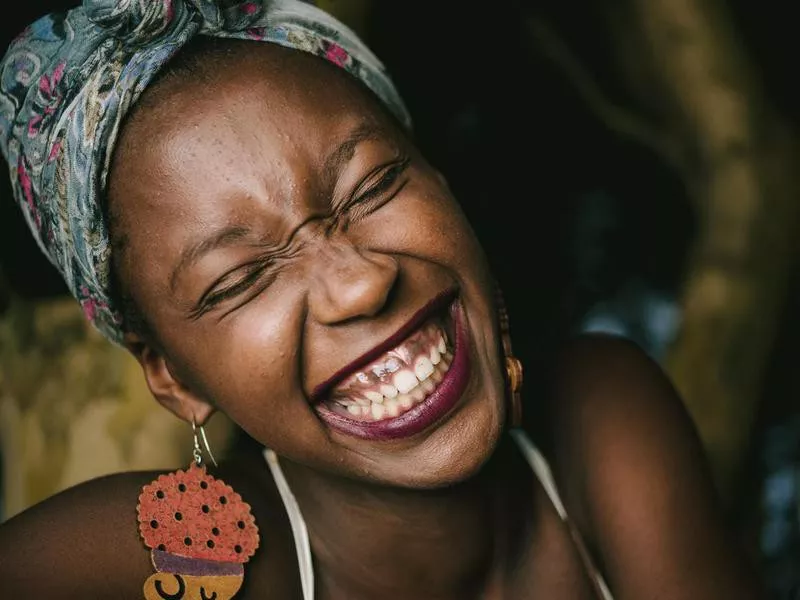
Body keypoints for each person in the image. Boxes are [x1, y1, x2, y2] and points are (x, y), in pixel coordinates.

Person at [0, 1, 765, 598]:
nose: (362, 282)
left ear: (442, 182)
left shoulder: (601, 417)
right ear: (172, 375)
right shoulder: (172, 560)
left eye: (372, 185)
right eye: (240, 278)